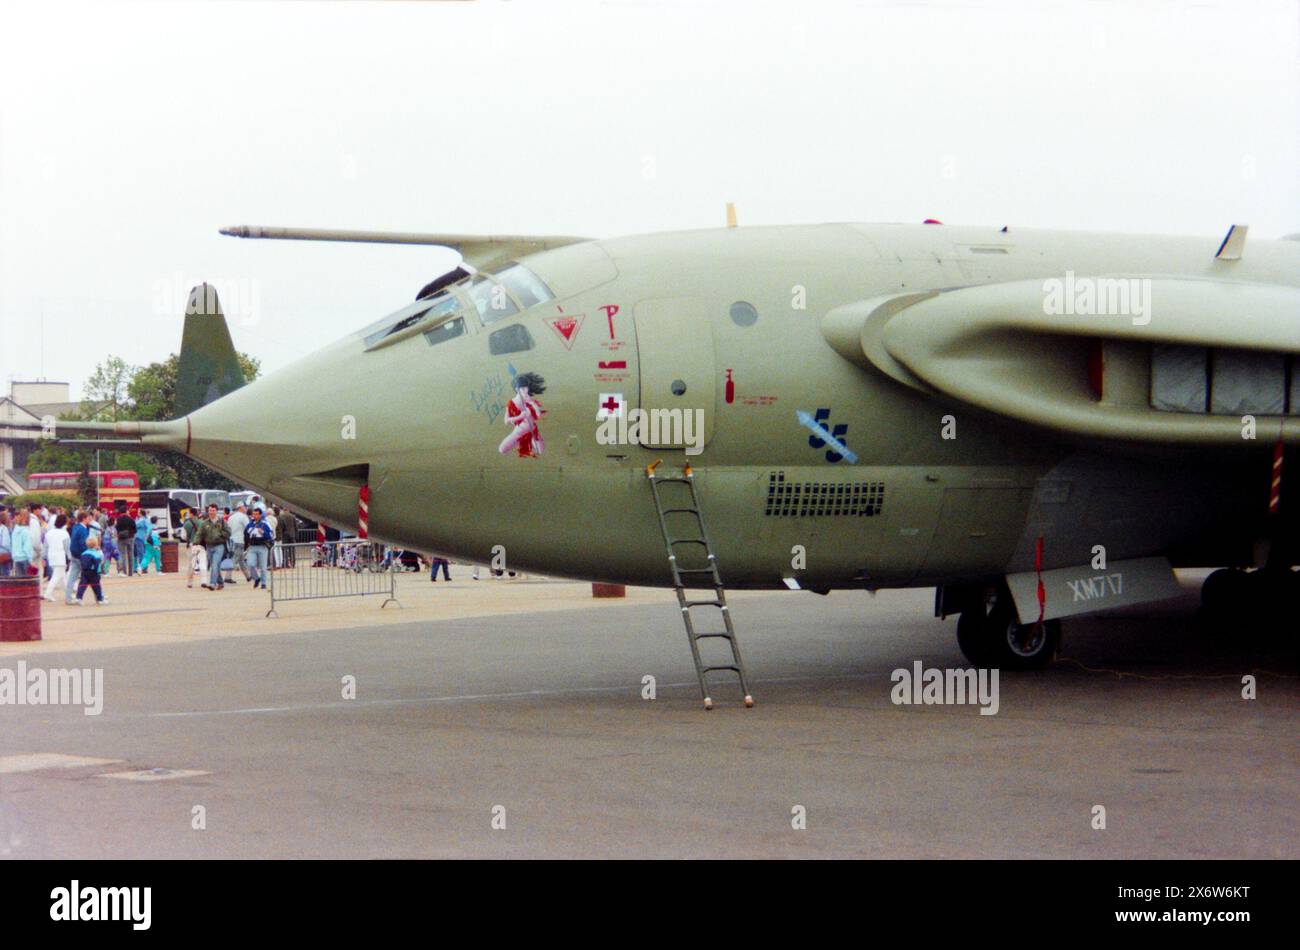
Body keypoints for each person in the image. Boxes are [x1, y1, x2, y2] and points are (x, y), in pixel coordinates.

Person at [196, 504, 230, 590]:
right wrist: (195, 542)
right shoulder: (205, 523)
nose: (211, 512)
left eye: (213, 510)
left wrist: (220, 535)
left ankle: (212, 583)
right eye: (210, 510)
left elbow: (228, 532)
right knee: (215, 566)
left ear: (216, 511)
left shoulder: (222, 521)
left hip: (219, 546)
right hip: (209, 546)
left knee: (215, 564)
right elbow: (199, 533)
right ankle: (221, 582)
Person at [243, 506, 275, 589]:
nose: (254, 516)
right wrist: (246, 545)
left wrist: (263, 532)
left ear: (260, 515)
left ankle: (263, 583)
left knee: (263, 566)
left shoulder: (265, 524)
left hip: (262, 546)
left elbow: (271, 535)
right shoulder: (250, 524)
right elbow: (245, 534)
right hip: (252, 546)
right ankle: (256, 578)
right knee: (250, 564)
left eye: (257, 514)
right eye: (253, 514)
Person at [42, 514, 71, 602]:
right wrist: (70, 557)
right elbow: (67, 547)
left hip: (51, 556)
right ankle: (48, 593)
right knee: (57, 576)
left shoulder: (49, 533)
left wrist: (44, 557)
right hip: (60, 556)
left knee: (62, 577)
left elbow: (45, 546)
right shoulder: (65, 533)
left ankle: (68, 594)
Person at [65, 511, 91, 605]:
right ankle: (98, 595)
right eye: (88, 518)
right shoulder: (83, 530)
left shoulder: (76, 527)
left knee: (72, 577)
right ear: (84, 518)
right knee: (89, 576)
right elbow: (83, 544)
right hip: (81, 555)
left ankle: (68, 597)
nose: (90, 520)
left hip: (74, 554)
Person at [73, 534, 107, 605]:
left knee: (82, 585)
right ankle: (100, 599)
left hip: (84, 572)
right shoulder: (97, 554)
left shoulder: (83, 553)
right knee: (96, 586)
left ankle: (79, 597)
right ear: (96, 545)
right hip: (94, 572)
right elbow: (101, 562)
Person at [180, 508, 208, 588]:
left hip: (192, 545)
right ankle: (204, 581)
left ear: (191, 514)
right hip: (201, 545)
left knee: (192, 564)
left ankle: (190, 583)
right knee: (202, 563)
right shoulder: (202, 522)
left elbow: (183, 536)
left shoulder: (186, 524)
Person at [226, 504, 249, 583]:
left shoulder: (231, 517)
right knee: (235, 559)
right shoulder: (243, 517)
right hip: (239, 540)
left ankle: (248, 576)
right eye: (245, 507)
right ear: (241, 508)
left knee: (241, 559)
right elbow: (248, 528)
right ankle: (227, 577)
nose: (246, 508)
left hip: (231, 540)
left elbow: (228, 528)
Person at [11, 510, 34, 576]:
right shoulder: (26, 531)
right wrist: (30, 560)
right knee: (28, 581)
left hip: (16, 558)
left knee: (21, 582)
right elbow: (27, 547)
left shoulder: (15, 531)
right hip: (25, 558)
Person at [115, 509, 137, 576]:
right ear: (126, 511)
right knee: (131, 555)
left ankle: (124, 572)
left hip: (121, 539)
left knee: (122, 555)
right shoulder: (131, 519)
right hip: (130, 538)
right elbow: (135, 530)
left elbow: (116, 528)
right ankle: (130, 572)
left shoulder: (118, 519)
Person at [134, 508, 151, 572]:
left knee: (140, 553)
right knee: (139, 553)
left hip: (139, 538)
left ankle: (142, 568)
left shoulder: (142, 520)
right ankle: (140, 567)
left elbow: (135, 525)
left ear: (141, 513)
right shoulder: (145, 519)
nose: (137, 513)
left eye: (138, 512)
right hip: (142, 538)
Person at [0, 510, 12, 577]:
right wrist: (11, 551)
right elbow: (6, 544)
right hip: (3, 556)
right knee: (5, 577)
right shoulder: (4, 529)